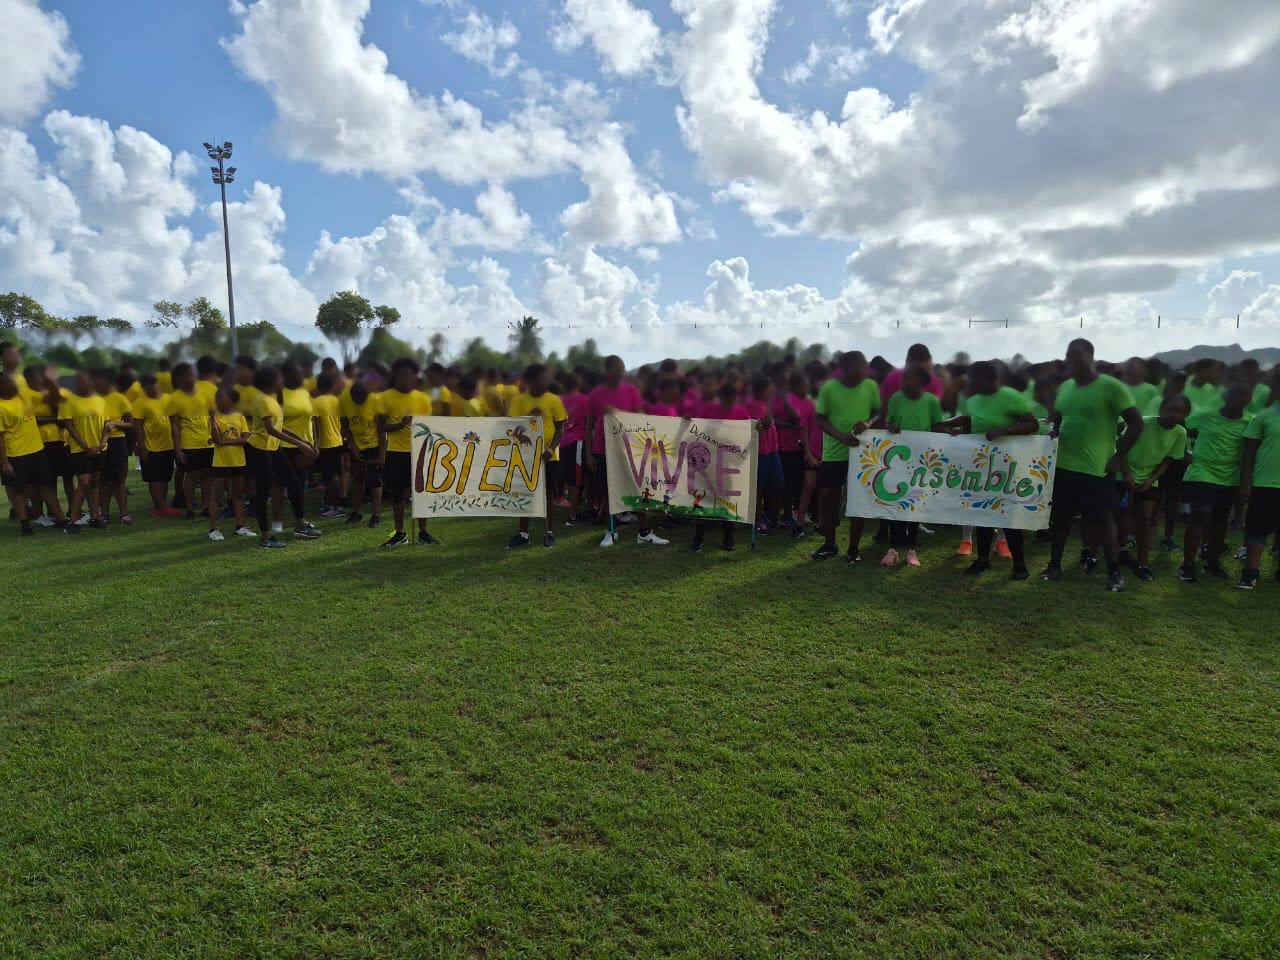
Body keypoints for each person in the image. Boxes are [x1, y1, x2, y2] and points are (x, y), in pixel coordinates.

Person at [1041, 339, 1143, 592]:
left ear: (1091, 357)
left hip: (1097, 467)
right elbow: (1060, 417)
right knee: (1061, 517)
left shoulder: (1111, 387)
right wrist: (1055, 430)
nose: (1072, 359)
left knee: (1103, 518)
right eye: (1069, 355)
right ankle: (1054, 566)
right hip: (1065, 464)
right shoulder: (1066, 387)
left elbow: (1136, 424)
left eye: (1078, 354)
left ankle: (1114, 572)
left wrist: (1119, 456)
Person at [936, 361, 1038, 579]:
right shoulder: (973, 400)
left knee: (1008, 513)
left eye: (974, 380)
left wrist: (1003, 431)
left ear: (988, 379)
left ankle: (1020, 565)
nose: (970, 384)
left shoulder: (1010, 396)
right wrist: (956, 429)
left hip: (1006, 466)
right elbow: (971, 424)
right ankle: (982, 560)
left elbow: (1032, 424)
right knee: (983, 512)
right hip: (981, 466)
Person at [584, 355, 669, 547]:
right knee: (609, 490)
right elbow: (589, 425)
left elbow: (640, 416)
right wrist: (589, 454)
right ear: (607, 371)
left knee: (639, 487)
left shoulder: (630, 391)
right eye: (617, 369)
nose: (621, 372)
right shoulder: (596, 394)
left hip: (630, 448)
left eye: (622, 368)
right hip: (603, 449)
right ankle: (611, 531)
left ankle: (644, 532)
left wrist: (659, 424)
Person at [811, 350, 880, 561]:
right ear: (846, 369)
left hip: (861, 453)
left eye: (865, 366)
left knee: (857, 501)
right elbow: (819, 419)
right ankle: (829, 544)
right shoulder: (829, 389)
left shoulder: (870, 386)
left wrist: (868, 423)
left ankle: (853, 549)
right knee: (827, 500)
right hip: (834, 453)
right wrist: (841, 437)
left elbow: (878, 411)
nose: (865, 371)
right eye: (860, 367)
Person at [1179, 382, 1251, 582]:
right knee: (1201, 513)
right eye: (1232, 396)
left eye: (1241, 398)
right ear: (1225, 398)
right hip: (1203, 471)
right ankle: (1188, 565)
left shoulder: (1250, 422)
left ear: (1246, 401)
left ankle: (1212, 563)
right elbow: (1182, 428)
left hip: (1230, 476)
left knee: (1220, 520)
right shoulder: (1206, 415)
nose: (1235, 401)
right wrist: (1184, 451)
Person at [1115, 394, 1190, 581]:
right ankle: (1119, 552)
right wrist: (1127, 474)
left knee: (1145, 519)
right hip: (1123, 473)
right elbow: (1120, 447)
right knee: (1119, 517)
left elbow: (1169, 460)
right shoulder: (1142, 423)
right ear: (1162, 409)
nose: (1173, 414)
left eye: (1179, 412)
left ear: (1185, 415)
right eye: (1170, 409)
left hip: (1149, 477)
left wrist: (1151, 479)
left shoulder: (1180, 433)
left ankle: (1142, 564)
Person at [246, 366, 321, 548]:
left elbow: (279, 426)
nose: (282, 381)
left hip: (273, 448)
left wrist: (300, 439)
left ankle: (300, 524)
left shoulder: (272, 399)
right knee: (263, 492)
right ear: (271, 381)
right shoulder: (262, 400)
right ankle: (266, 537)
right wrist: (299, 444)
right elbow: (271, 430)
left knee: (293, 482)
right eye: (279, 378)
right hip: (259, 449)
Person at [879, 364, 945, 567]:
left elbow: (938, 427)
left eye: (909, 378)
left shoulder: (931, 401)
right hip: (898, 458)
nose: (904, 382)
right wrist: (891, 427)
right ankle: (892, 549)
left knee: (915, 502)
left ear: (921, 382)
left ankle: (911, 550)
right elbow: (887, 423)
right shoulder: (896, 399)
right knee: (896, 500)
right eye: (904, 378)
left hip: (921, 461)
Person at [0, 372, 71, 535]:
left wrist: (50, 381)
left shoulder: (23, 396)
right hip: (16, 454)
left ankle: (61, 519)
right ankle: (25, 525)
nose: (14, 383)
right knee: (19, 490)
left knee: (46, 486)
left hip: (37, 450)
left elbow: (54, 398)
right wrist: (4, 463)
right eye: (9, 382)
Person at [376, 358, 437, 547]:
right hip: (396, 452)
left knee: (421, 493)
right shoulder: (386, 398)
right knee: (398, 494)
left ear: (414, 376)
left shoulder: (423, 399)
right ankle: (400, 533)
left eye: (409, 375)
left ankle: (424, 533)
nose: (406, 378)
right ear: (395, 376)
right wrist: (399, 425)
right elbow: (380, 426)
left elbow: (432, 426)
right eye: (402, 374)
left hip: (419, 452)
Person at [507, 364, 567, 548]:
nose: (545, 381)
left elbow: (560, 428)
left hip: (549, 457)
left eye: (546, 378)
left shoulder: (554, 400)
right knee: (525, 493)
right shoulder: (519, 401)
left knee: (548, 494)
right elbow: (511, 428)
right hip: (525, 456)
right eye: (541, 378)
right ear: (530, 380)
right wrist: (530, 417)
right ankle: (523, 534)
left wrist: (551, 449)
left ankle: (549, 533)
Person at [691, 383, 751, 552]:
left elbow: (749, 434)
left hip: (728, 464)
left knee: (727, 500)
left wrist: (758, 429)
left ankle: (728, 536)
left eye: (731, 400)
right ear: (720, 398)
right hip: (709, 463)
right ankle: (698, 537)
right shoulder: (709, 410)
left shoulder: (741, 413)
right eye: (725, 400)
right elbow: (699, 431)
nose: (728, 403)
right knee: (702, 498)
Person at [1238, 370, 1280, 589]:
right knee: (1257, 529)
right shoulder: (1263, 416)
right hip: (1265, 482)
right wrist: (1246, 481)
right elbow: (1249, 451)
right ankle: (1251, 573)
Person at [58, 370, 109, 529]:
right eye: (78, 380)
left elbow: (107, 425)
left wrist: (102, 443)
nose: (81, 383)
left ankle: (95, 517)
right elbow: (69, 426)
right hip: (80, 449)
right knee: (84, 483)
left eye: (84, 380)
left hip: (100, 448)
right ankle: (72, 520)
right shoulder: (69, 401)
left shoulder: (101, 400)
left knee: (95, 482)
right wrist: (86, 446)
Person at [23, 365, 74, 519]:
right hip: (41, 442)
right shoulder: (25, 395)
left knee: (68, 476)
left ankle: (74, 510)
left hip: (61, 440)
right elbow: (30, 419)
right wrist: (53, 419)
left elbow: (63, 415)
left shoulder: (54, 393)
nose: (39, 380)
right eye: (34, 378)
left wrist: (53, 401)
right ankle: (51, 513)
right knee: (48, 480)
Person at [168, 362, 214, 520]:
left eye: (193, 373)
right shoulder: (175, 398)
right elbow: (174, 425)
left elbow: (212, 417)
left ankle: (206, 506)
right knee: (190, 475)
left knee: (206, 474)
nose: (192, 376)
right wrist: (177, 449)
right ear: (179, 378)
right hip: (188, 443)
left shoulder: (204, 393)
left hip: (206, 441)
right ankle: (189, 508)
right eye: (188, 374)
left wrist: (214, 435)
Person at [207, 387, 254, 541]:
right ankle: (213, 529)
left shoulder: (239, 417)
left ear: (231, 400)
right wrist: (212, 420)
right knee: (216, 495)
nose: (217, 401)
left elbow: (246, 438)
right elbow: (216, 438)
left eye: (221, 397)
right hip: (220, 461)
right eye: (216, 398)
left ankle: (240, 526)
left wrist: (225, 442)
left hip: (238, 460)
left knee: (237, 495)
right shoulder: (214, 417)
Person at [131, 374, 181, 517]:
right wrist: (142, 447)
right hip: (151, 447)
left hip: (168, 445)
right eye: (147, 387)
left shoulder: (168, 399)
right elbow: (138, 427)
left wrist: (177, 445)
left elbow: (174, 422)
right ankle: (160, 507)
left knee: (165, 477)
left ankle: (161, 506)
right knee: (154, 478)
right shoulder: (140, 403)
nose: (152, 389)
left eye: (153, 386)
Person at [275, 362, 315, 533]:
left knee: (300, 483)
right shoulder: (278, 394)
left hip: (305, 445)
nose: (300, 376)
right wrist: (298, 441)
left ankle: (300, 518)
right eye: (296, 372)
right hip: (283, 445)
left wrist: (314, 442)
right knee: (279, 484)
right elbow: (275, 424)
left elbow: (312, 419)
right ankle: (277, 521)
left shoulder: (304, 393)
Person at [340, 375, 384, 527]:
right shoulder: (344, 399)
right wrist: (353, 447)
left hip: (374, 443)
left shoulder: (375, 401)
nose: (359, 403)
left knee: (375, 480)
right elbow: (345, 426)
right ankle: (357, 513)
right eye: (356, 401)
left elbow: (381, 430)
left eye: (362, 401)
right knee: (358, 478)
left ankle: (376, 516)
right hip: (356, 444)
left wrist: (382, 455)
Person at [744, 374, 783, 533]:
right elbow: (764, 423)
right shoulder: (749, 404)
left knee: (778, 483)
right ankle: (757, 519)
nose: (772, 391)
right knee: (759, 486)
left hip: (772, 449)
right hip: (759, 451)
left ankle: (772, 517)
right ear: (761, 390)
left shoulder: (767, 402)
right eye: (769, 389)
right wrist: (769, 405)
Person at [94, 369, 133, 524]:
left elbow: (131, 423)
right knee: (102, 480)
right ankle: (104, 513)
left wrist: (116, 424)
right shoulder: (93, 398)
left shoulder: (120, 399)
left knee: (118, 480)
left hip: (116, 442)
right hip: (99, 443)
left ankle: (124, 514)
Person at [311, 372, 346, 518]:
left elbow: (316, 426)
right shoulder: (337, 401)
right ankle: (330, 504)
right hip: (338, 441)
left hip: (325, 443)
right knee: (333, 474)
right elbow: (343, 422)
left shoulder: (316, 402)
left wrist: (315, 445)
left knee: (331, 476)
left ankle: (335, 506)